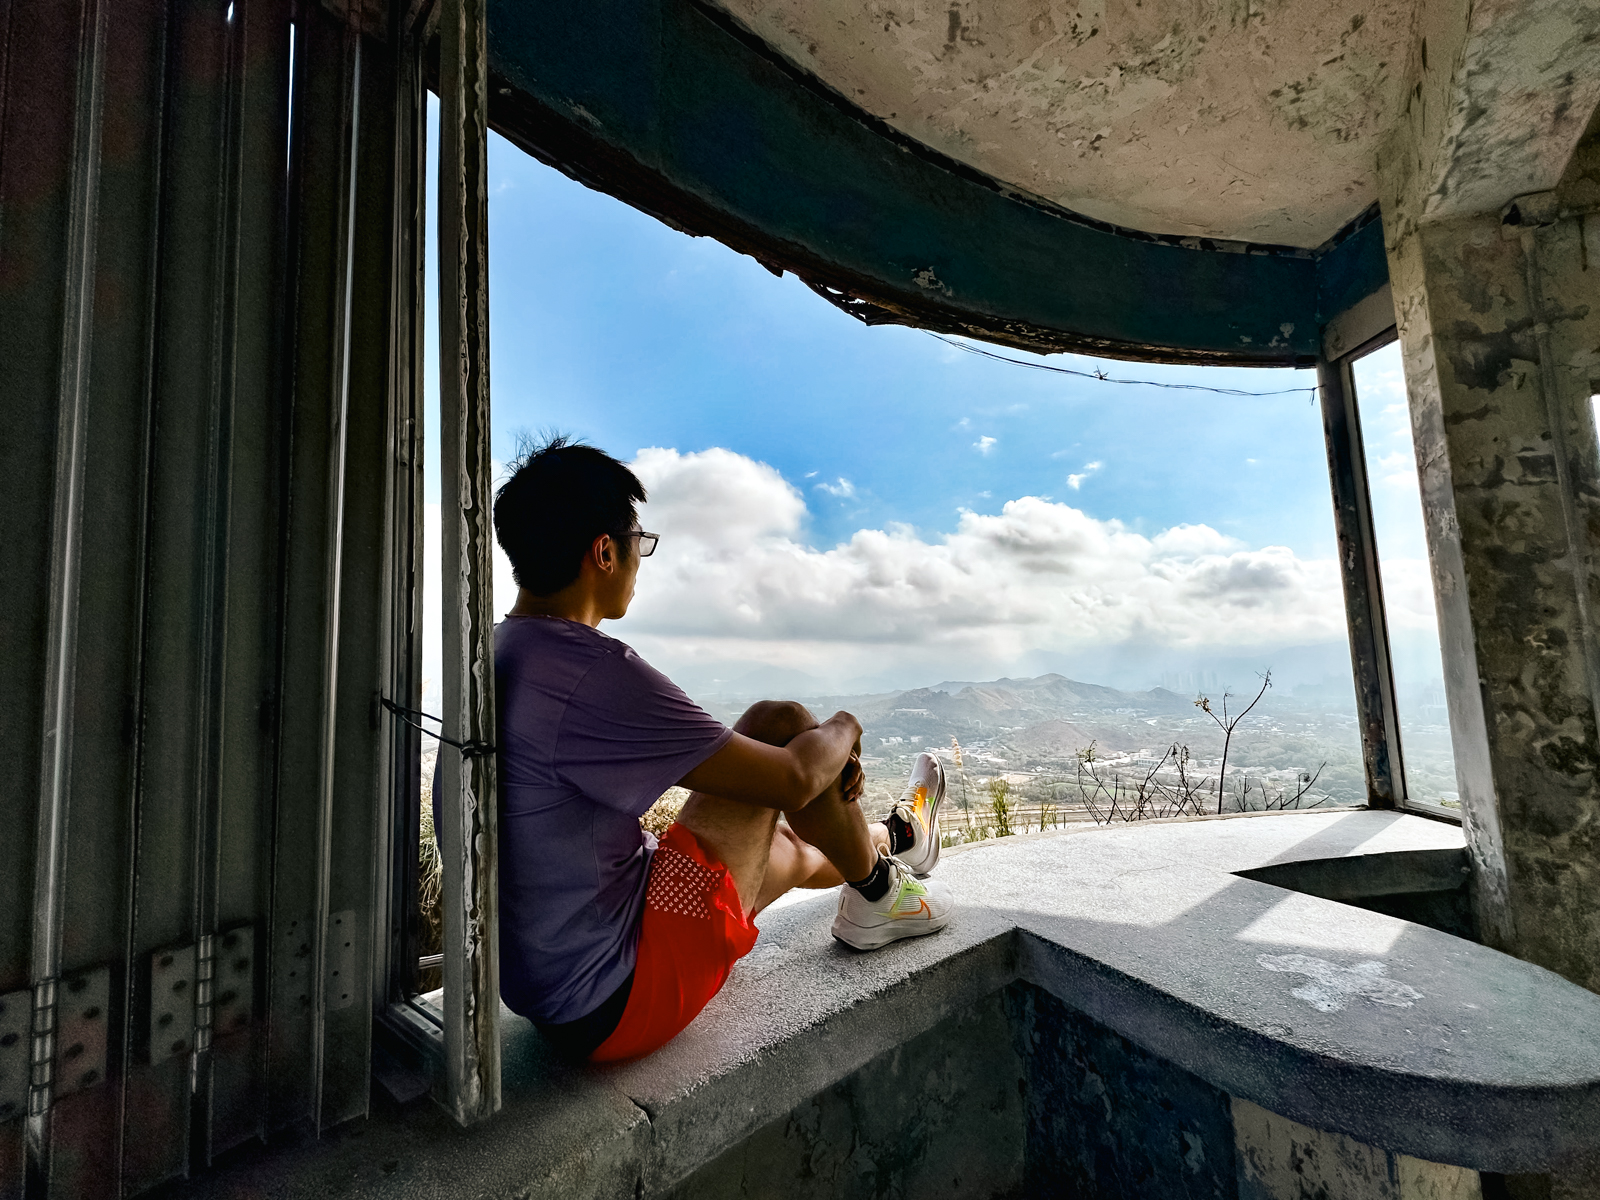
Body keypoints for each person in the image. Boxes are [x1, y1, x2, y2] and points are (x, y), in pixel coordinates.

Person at [488, 436, 954, 1063]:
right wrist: (845, 727)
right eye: (638, 543)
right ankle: (880, 892)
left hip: (554, 981)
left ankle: (898, 840)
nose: (640, 560)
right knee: (783, 722)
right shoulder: (591, 673)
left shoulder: (503, 649)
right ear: (604, 551)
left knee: (782, 846)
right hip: (618, 994)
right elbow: (793, 778)